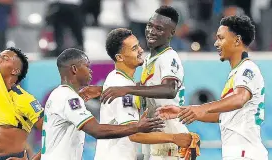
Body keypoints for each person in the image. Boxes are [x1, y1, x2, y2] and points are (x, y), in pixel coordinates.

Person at [83, 6, 199, 160]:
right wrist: (102, 89)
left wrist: (125, 89)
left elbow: (170, 89)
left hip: (170, 140)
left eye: (159, 28)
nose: (151, 31)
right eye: (150, 26)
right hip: (160, 141)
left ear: (171, 33)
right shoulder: (148, 61)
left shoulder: (169, 57)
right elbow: (144, 89)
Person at [156, 15, 268, 160]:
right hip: (238, 153)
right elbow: (223, 116)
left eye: (221, 38)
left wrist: (202, 108)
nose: (216, 43)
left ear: (237, 40)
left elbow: (239, 99)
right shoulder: (236, 73)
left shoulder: (248, 68)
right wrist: (182, 111)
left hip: (245, 154)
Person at [40, 48, 164, 160]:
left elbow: (51, 143)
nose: (90, 71)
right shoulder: (69, 98)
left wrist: (102, 89)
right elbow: (96, 130)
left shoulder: (57, 94)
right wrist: (137, 127)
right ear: (74, 69)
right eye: (87, 66)